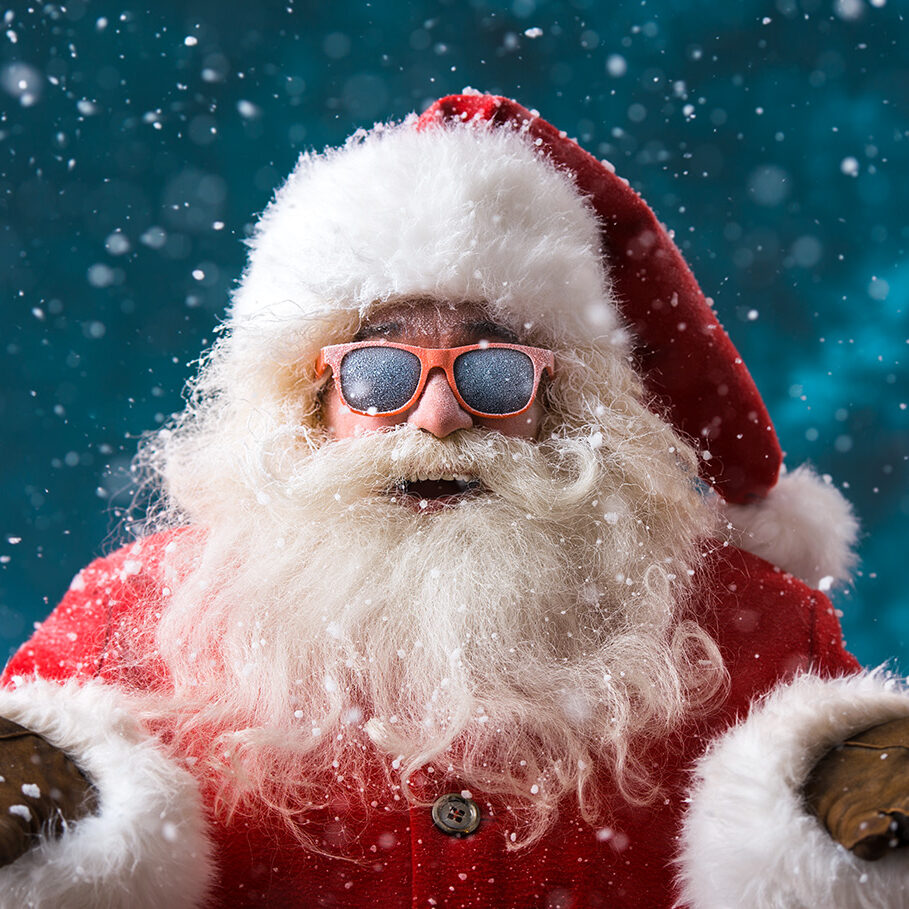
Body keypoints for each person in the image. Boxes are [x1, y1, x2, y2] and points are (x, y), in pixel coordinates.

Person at [0, 93, 906, 908]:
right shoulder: (129, 620)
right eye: (382, 371)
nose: (436, 416)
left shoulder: (757, 628)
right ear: (304, 399)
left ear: (567, 404)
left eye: (496, 371)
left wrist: (842, 810)